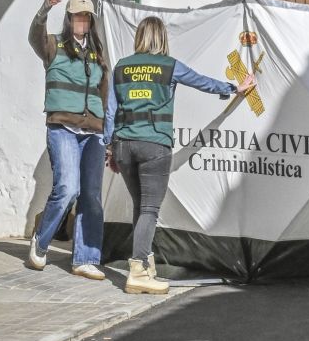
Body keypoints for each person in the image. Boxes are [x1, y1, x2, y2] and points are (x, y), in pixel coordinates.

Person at [108, 17, 252, 295]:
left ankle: (146, 265)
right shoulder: (169, 66)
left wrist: (109, 146)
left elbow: (109, 109)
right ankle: (137, 270)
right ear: (161, 38)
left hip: (124, 145)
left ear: (139, 37)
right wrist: (234, 88)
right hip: (154, 145)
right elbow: (202, 82)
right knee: (149, 209)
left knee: (140, 206)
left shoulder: (121, 66)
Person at [25, 0, 111, 278]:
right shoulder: (54, 45)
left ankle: (85, 258)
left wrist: (108, 132)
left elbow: (105, 93)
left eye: (86, 17)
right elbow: (34, 37)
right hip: (63, 128)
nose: (81, 21)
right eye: (77, 16)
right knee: (68, 189)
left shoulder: (97, 53)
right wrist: (44, 10)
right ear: (69, 19)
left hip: (93, 133)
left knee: (92, 195)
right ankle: (41, 240)